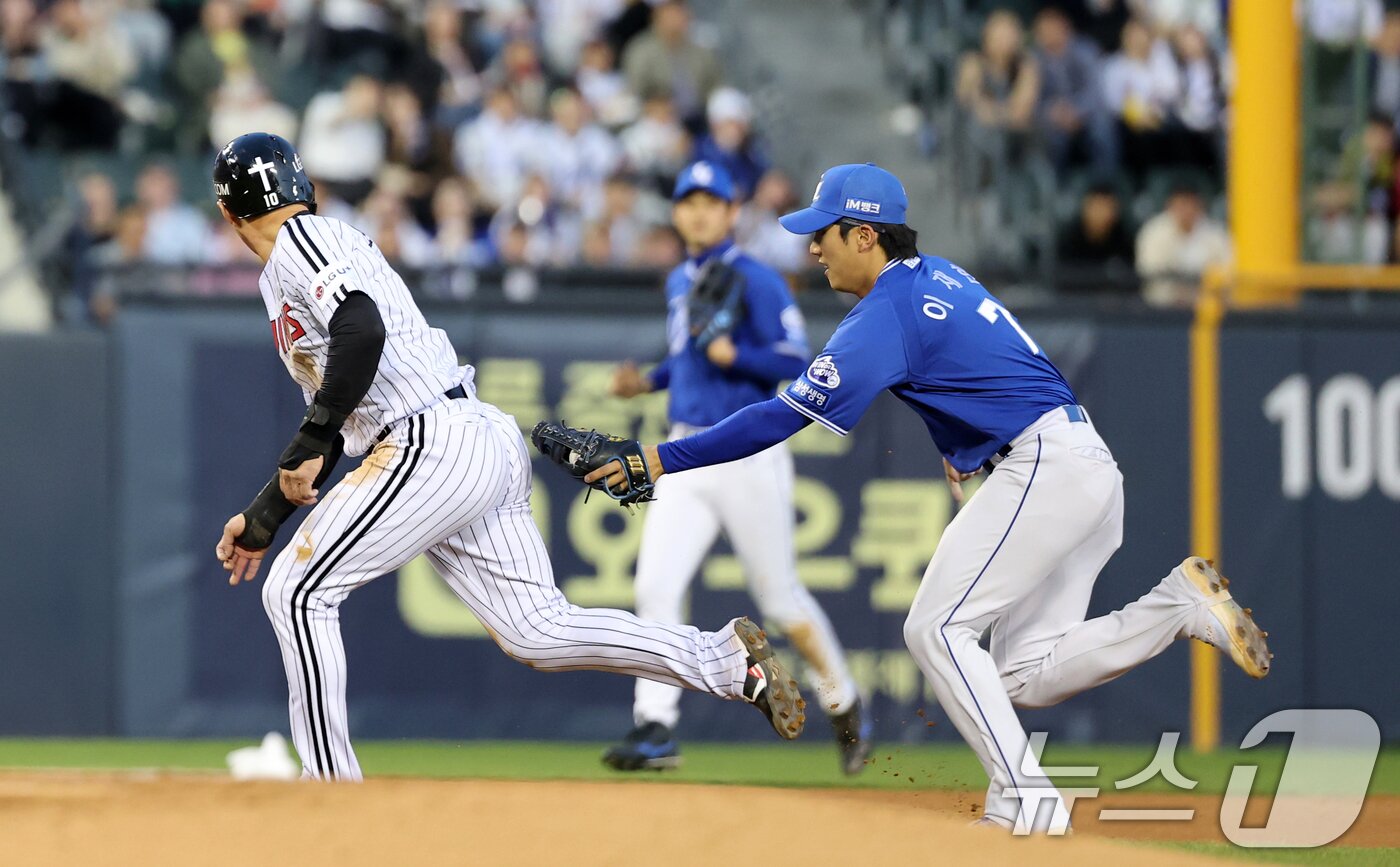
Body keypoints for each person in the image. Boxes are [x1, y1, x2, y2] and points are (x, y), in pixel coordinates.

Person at [579, 163, 1271, 831]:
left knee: (934, 628)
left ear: (865, 236)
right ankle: (1175, 607)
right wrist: (959, 441)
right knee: (1020, 673)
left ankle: (1029, 800)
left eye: (824, 231)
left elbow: (778, 415)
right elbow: (989, 365)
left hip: (1042, 465)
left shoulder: (885, 313)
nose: (812, 245)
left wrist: (659, 457)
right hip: (1079, 462)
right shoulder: (940, 274)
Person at [209, 132, 806, 780]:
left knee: (297, 592)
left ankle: (330, 794)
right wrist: (266, 514)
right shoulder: (302, 260)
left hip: (429, 439)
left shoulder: (304, 240)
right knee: (538, 630)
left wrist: (312, 437)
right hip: (465, 436)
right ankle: (721, 660)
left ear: (228, 214)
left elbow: (362, 331)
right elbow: (340, 401)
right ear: (305, 184)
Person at [602, 162, 868, 774]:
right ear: (676, 212)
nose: (698, 211)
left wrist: (736, 354)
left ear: (730, 212)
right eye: (687, 200)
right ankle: (656, 725)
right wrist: (647, 381)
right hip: (683, 454)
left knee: (780, 596)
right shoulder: (678, 279)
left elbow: (794, 356)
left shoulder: (759, 279)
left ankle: (844, 700)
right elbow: (686, 360)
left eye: (710, 201)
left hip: (747, 452)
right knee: (656, 587)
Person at [1136, 181, 1230, 306]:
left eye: (1190, 203)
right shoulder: (1154, 232)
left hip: (1205, 308)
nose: (1186, 210)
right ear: (1169, 205)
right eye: (1181, 204)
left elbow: (1228, 270)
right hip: (1162, 308)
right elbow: (1148, 269)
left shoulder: (1216, 234)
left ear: (1200, 205)